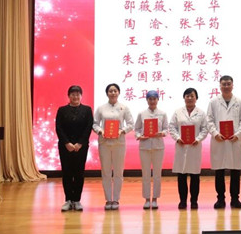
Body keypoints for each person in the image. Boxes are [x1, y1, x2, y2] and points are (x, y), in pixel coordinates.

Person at [206, 75, 241, 209]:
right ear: (220, 86)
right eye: (224, 84)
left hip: (234, 140)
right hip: (219, 140)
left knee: (235, 171)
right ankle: (220, 199)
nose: (226, 86)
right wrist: (215, 133)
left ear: (232, 85)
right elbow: (209, 120)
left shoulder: (239, 102)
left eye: (229, 84)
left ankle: (235, 199)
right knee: (219, 171)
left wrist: (238, 134)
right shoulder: (213, 102)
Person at [93, 83, 134, 211]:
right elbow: (95, 124)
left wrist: (122, 131)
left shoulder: (124, 108)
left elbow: (131, 124)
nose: (113, 93)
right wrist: (100, 131)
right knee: (106, 172)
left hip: (119, 143)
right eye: (110, 91)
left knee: (118, 172)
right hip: (104, 143)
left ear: (119, 93)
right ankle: (108, 199)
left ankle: (116, 199)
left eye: (115, 91)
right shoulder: (101, 108)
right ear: (107, 93)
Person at [55, 85, 93, 212]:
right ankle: (68, 200)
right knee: (67, 173)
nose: (75, 96)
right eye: (73, 94)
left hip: (81, 147)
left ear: (81, 96)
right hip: (65, 147)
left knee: (79, 173)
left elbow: (88, 127)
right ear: (68, 96)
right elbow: (58, 128)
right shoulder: (62, 110)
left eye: (77, 94)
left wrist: (80, 143)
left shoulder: (87, 110)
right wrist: (67, 143)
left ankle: (77, 200)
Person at [169, 87, 209, 210]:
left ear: (196, 98)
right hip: (181, 146)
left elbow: (205, 128)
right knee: (181, 176)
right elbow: (172, 127)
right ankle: (182, 201)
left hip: (194, 147)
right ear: (184, 98)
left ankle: (194, 201)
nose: (190, 98)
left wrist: (198, 139)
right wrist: (177, 138)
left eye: (192, 96)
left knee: (195, 176)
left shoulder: (201, 113)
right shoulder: (178, 112)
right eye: (187, 96)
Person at [135, 90, 169, 210]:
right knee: (145, 174)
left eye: (154, 99)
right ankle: (146, 199)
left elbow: (166, 129)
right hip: (144, 146)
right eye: (150, 99)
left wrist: (162, 133)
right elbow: (137, 129)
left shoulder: (163, 114)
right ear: (147, 100)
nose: (152, 101)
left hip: (158, 146)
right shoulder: (142, 114)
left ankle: (155, 199)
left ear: (158, 100)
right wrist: (139, 136)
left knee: (157, 174)